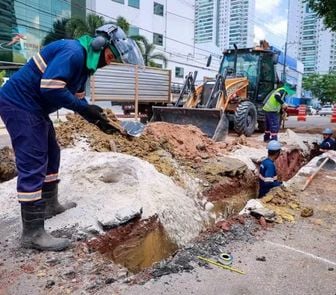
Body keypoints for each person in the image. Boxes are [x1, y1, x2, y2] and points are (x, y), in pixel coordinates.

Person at [0, 24, 144, 251]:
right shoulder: (74, 52)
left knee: (52, 152)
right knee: (34, 161)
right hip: (20, 104)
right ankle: (32, 233)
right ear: (100, 45)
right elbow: (50, 87)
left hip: (34, 108)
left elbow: (78, 101)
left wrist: (98, 120)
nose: (109, 62)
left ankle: (49, 205)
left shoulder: (86, 67)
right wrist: (82, 108)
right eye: (110, 56)